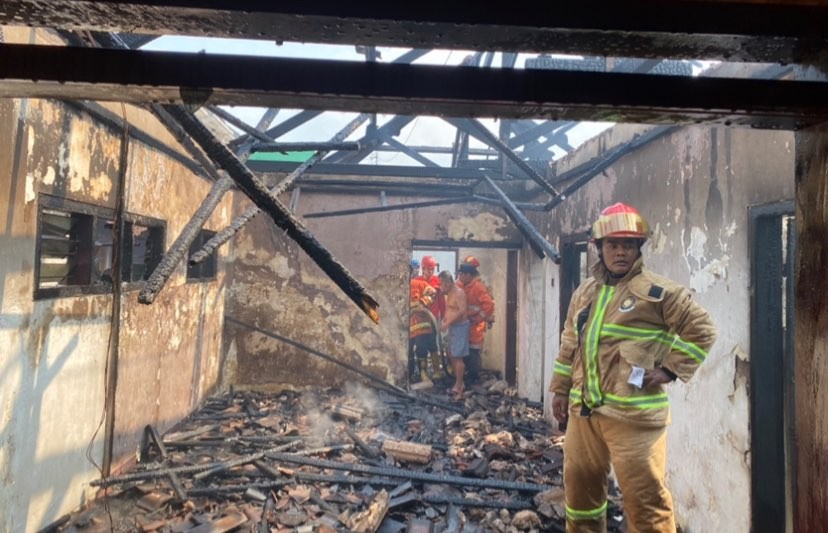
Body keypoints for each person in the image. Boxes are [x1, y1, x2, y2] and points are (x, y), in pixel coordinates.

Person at [548, 202, 717, 533]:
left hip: (634, 417)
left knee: (645, 503)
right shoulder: (585, 292)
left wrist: (669, 370)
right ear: (599, 248)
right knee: (580, 495)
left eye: (628, 244)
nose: (620, 252)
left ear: (638, 248)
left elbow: (703, 330)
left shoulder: (659, 292)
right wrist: (560, 389)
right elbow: (570, 343)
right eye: (613, 244)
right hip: (585, 412)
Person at [456, 256, 494, 385]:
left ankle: (473, 377)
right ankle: (465, 375)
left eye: (462, 273)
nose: (460, 275)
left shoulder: (478, 287)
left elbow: (488, 305)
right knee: (463, 350)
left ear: (468, 274)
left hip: (474, 325)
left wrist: (478, 318)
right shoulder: (459, 285)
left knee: (473, 351)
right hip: (462, 325)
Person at [438, 270, 469, 400]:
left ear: (449, 282)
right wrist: (445, 320)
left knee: (458, 356)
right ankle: (459, 382)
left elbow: (462, 311)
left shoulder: (459, 293)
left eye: (443, 284)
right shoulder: (449, 292)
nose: (441, 286)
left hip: (460, 327)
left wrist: (447, 322)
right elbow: (450, 308)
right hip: (452, 326)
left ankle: (459, 386)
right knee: (451, 354)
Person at [415, 255, 446, 379]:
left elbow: (441, 300)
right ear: (423, 268)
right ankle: (424, 373)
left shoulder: (436, 281)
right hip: (420, 320)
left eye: (433, 269)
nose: (431, 271)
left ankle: (437, 371)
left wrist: (443, 316)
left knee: (433, 344)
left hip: (433, 319)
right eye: (429, 269)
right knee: (420, 345)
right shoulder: (417, 281)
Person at [409, 278, 438, 383]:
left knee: (422, 348)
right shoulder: (398, 284)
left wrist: (423, 302)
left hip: (422, 325)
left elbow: (432, 293)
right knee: (408, 351)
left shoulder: (418, 284)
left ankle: (423, 373)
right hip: (406, 326)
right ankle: (410, 374)